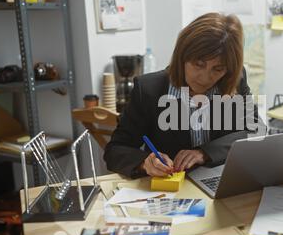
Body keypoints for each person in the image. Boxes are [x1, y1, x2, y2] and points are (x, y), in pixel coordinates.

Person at [104, 12, 265, 178]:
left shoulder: (234, 81)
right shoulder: (148, 90)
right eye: (198, 65)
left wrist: (205, 153)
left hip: (220, 182)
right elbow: (115, 150)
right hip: (172, 190)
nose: (205, 78)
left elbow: (255, 131)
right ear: (182, 56)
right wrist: (145, 162)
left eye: (217, 69)